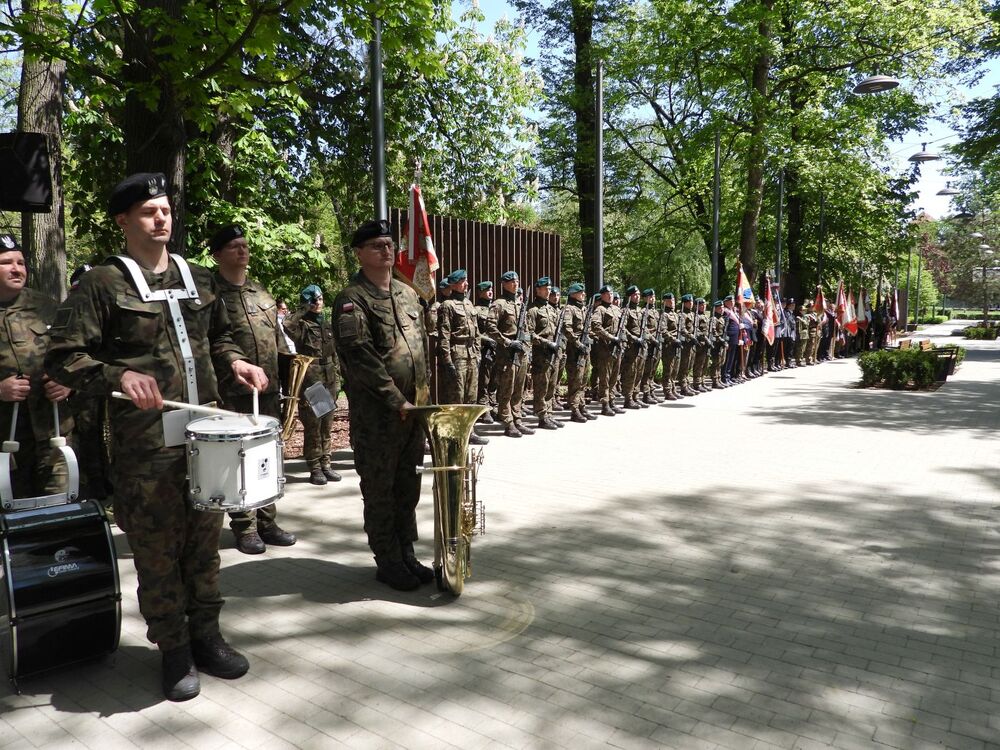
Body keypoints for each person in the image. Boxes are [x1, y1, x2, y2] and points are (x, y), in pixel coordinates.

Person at [45, 172, 268, 701]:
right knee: (156, 549)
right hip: (145, 444)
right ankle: (173, 650)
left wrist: (236, 361)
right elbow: (63, 356)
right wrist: (118, 376)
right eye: (149, 211)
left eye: (166, 209)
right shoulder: (103, 283)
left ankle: (207, 637)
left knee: (205, 543)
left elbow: (222, 336)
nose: (161, 218)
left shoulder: (198, 278)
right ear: (124, 221)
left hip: (205, 435)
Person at [331, 220, 431, 592]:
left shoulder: (407, 295)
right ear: (358, 252)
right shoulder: (351, 298)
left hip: (413, 412)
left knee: (408, 486)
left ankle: (406, 552)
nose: (386, 251)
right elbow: (361, 358)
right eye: (376, 246)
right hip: (380, 416)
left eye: (389, 245)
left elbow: (420, 351)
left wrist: (422, 401)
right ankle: (387, 560)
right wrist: (396, 399)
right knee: (380, 489)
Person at [209, 224, 297, 554]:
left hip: (269, 391)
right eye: (234, 246)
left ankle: (267, 520)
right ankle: (244, 526)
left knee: (268, 458)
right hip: (230, 393)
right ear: (217, 254)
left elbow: (278, 341)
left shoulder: (262, 294)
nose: (242, 251)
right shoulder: (210, 296)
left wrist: (291, 377)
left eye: (245, 245)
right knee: (237, 459)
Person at [0, 233, 73, 499]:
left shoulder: (46, 307)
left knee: (59, 508)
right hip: (5, 442)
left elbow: (75, 354)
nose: (17, 269)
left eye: (20, 262)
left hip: (52, 433)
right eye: (6, 262)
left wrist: (67, 381)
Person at [283, 284, 342, 485]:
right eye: (313, 300)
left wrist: (338, 377)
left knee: (327, 424)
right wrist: (303, 308)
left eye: (320, 299)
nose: (318, 303)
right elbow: (287, 323)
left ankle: (326, 464)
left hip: (330, 377)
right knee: (314, 425)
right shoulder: (302, 326)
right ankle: (315, 467)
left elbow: (335, 352)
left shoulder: (327, 324)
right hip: (312, 379)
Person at [437, 268, 488, 445]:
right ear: (454, 284)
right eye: (463, 281)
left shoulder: (469, 304)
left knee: (471, 396)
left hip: (472, 354)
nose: (466, 284)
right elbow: (444, 335)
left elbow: (477, 333)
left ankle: (469, 431)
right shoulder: (447, 306)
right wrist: (447, 361)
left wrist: (478, 353)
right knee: (456, 396)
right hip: (457, 354)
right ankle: (453, 434)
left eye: (466, 280)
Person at [487, 271, 534, 438]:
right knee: (507, 388)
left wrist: (527, 347)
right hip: (507, 354)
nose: (516, 284)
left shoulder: (520, 305)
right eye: (512, 281)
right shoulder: (499, 304)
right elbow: (490, 328)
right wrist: (507, 342)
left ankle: (517, 419)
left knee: (519, 388)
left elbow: (527, 330)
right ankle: (507, 422)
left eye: (517, 281)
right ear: (504, 284)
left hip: (521, 353)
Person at [526, 276, 560, 429]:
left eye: (549, 288)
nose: (549, 291)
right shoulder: (532, 310)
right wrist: (546, 343)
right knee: (542, 385)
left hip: (554, 352)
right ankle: (541, 415)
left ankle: (549, 413)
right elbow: (530, 334)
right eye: (545, 288)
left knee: (552, 384)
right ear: (538, 290)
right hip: (541, 353)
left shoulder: (552, 310)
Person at [562, 284, 592, 423]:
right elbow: (567, 329)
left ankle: (581, 406)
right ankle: (574, 410)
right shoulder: (569, 309)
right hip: (575, 350)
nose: (583, 294)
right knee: (576, 380)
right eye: (581, 292)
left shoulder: (583, 308)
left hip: (585, 348)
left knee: (584, 379)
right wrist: (577, 343)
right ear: (573, 294)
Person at [474, 281, 497, 423]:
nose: (490, 292)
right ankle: (484, 408)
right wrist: (486, 340)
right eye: (486, 290)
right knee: (484, 380)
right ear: (480, 292)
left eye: (491, 289)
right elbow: (474, 332)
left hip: (497, 349)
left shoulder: (496, 308)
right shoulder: (476, 310)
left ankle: (493, 405)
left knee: (495, 380)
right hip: (484, 350)